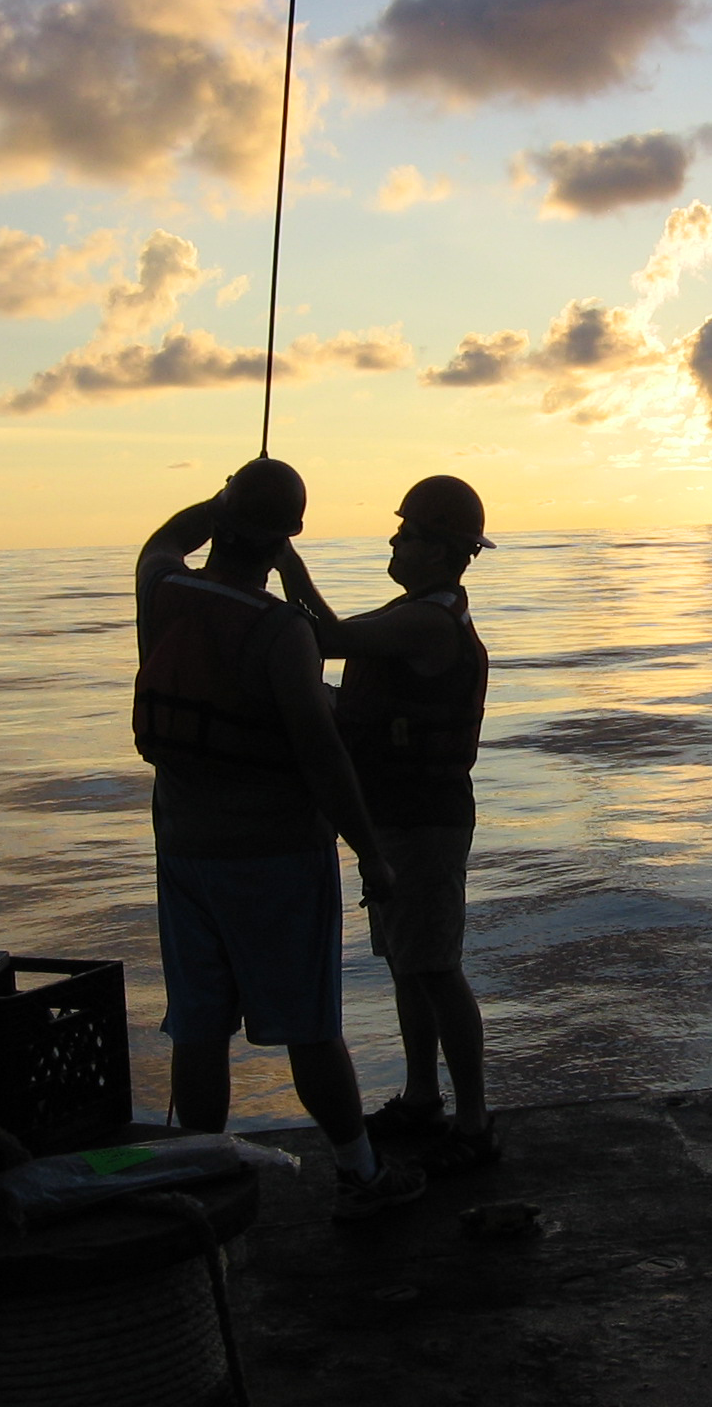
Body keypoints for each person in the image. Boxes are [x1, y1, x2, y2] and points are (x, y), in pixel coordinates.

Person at [134, 457, 425, 1220]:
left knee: (198, 1029)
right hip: (276, 859)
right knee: (310, 1029)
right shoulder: (280, 630)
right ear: (289, 538)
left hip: (184, 853)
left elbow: (166, 536)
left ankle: (199, 1178)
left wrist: (228, 501)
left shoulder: (160, 590)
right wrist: (371, 852)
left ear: (221, 521)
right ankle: (359, 1173)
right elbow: (321, 755)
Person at [275, 475, 498, 1171]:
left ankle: (472, 1118)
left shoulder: (427, 621)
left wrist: (284, 562)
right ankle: (422, 1097)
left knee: (434, 967)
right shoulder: (418, 611)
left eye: (405, 533)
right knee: (409, 965)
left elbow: (329, 636)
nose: (393, 541)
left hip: (424, 824)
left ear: (439, 552)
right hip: (397, 818)